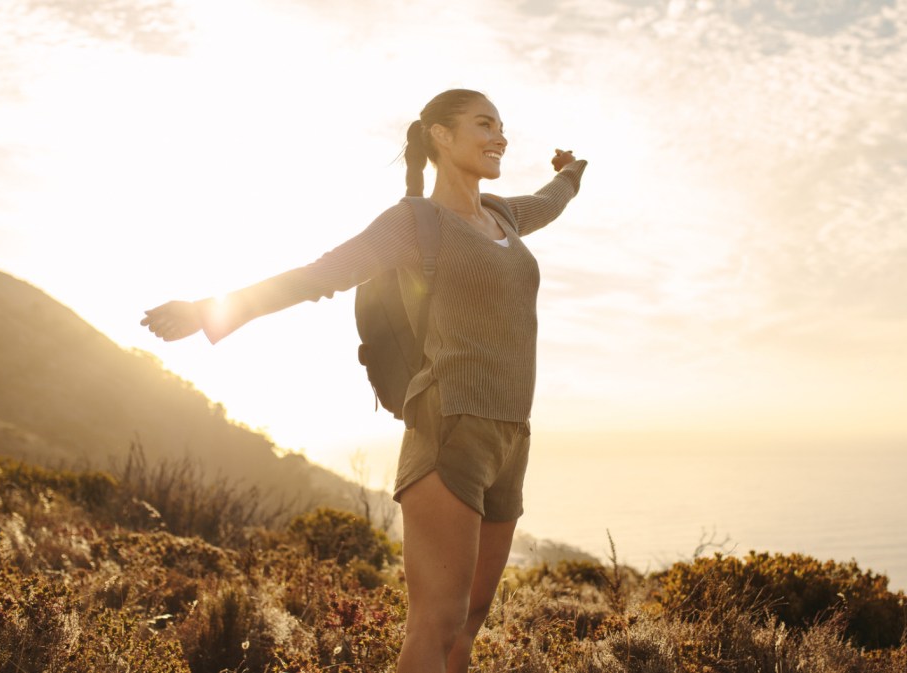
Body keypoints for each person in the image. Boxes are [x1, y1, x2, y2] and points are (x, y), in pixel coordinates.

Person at [141, 88, 587, 672]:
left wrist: (573, 172)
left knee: (470, 623)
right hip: (449, 427)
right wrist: (209, 309)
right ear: (441, 136)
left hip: (512, 434)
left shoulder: (504, 215)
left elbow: (549, 201)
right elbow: (318, 275)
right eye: (484, 124)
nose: (499, 135)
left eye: (502, 125)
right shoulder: (413, 223)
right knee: (437, 623)